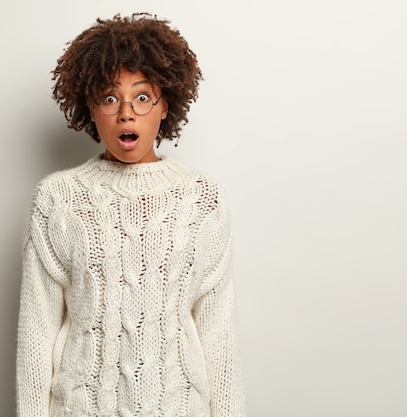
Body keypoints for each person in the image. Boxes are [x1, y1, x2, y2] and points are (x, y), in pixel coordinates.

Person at [16, 12, 245, 417]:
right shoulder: (58, 200)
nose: (126, 112)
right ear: (90, 106)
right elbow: (37, 334)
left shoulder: (203, 200)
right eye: (109, 97)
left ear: (165, 106)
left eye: (142, 97)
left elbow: (219, 337)